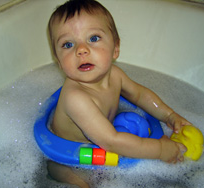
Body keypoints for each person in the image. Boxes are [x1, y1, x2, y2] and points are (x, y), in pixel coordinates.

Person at [46, 0, 191, 187]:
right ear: (58, 62)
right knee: (80, 182)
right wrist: (160, 150)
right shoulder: (76, 98)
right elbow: (111, 142)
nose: (81, 50)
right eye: (67, 44)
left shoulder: (115, 75)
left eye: (93, 38)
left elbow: (139, 95)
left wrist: (169, 115)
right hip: (71, 156)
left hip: (103, 139)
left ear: (115, 48)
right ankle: (60, 173)